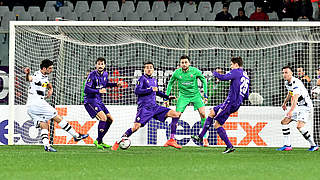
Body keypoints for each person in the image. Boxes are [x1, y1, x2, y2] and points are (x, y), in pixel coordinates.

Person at [111, 61, 181, 150]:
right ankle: (118, 141)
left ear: (153, 69)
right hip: (144, 108)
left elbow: (156, 92)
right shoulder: (142, 79)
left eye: (150, 67)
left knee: (176, 114)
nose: (149, 69)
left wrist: (167, 97)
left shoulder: (154, 80)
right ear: (144, 69)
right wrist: (150, 89)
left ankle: (171, 139)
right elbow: (137, 91)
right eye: (147, 67)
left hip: (154, 107)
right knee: (136, 127)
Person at [24, 59, 88, 152]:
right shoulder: (37, 76)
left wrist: (51, 88)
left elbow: (47, 84)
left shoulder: (44, 76)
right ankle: (76, 135)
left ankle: (47, 146)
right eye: (50, 68)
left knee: (44, 124)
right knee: (56, 116)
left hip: (31, 107)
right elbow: (29, 79)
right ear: (44, 68)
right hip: (37, 103)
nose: (51, 70)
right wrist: (27, 74)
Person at [192, 57, 250, 154]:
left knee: (217, 124)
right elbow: (247, 95)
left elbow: (223, 78)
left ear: (236, 65)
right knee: (212, 112)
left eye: (231, 64)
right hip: (233, 102)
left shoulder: (236, 71)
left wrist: (214, 73)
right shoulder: (246, 75)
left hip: (231, 102)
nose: (230, 66)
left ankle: (229, 146)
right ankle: (200, 137)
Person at [165, 56, 209, 146]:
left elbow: (204, 80)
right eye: (182, 62)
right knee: (176, 115)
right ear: (180, 64)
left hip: (195, 95)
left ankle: (204, 138)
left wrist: (205, 94)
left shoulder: (195, 71)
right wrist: (166, 97)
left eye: (186, 62)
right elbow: (170, 83)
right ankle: (171, 138)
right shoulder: (177, 73)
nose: (184, 64)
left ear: (189, 63)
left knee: (203, 114)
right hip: (183, 96)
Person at [84, 57, 123, 150]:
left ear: (104, 65)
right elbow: (86, 89)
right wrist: (98, 91)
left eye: (102, 64)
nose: (100, 66)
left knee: (110, 119)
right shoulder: (92, 75)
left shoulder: (105, 74)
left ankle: (99, 140)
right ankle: (99, 142)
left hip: (98, 101)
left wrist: (116, 84)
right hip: (90, 101)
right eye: (98, 64)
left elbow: (105, 84)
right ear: (96, 65)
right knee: (103, 118)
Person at [277, 66, 318, 151]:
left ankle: (314, 145)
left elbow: (295, 97)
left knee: (299, 126)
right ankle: (287, 145)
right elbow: (290, 93)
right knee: (284, 122)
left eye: (286, 72)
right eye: (283, 72)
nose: (284, 74)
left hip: (306, 106)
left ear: (291, 73)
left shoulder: (296, 82)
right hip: (299, 106)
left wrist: (291, 111)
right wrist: (285, 102)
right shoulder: (287, 83)